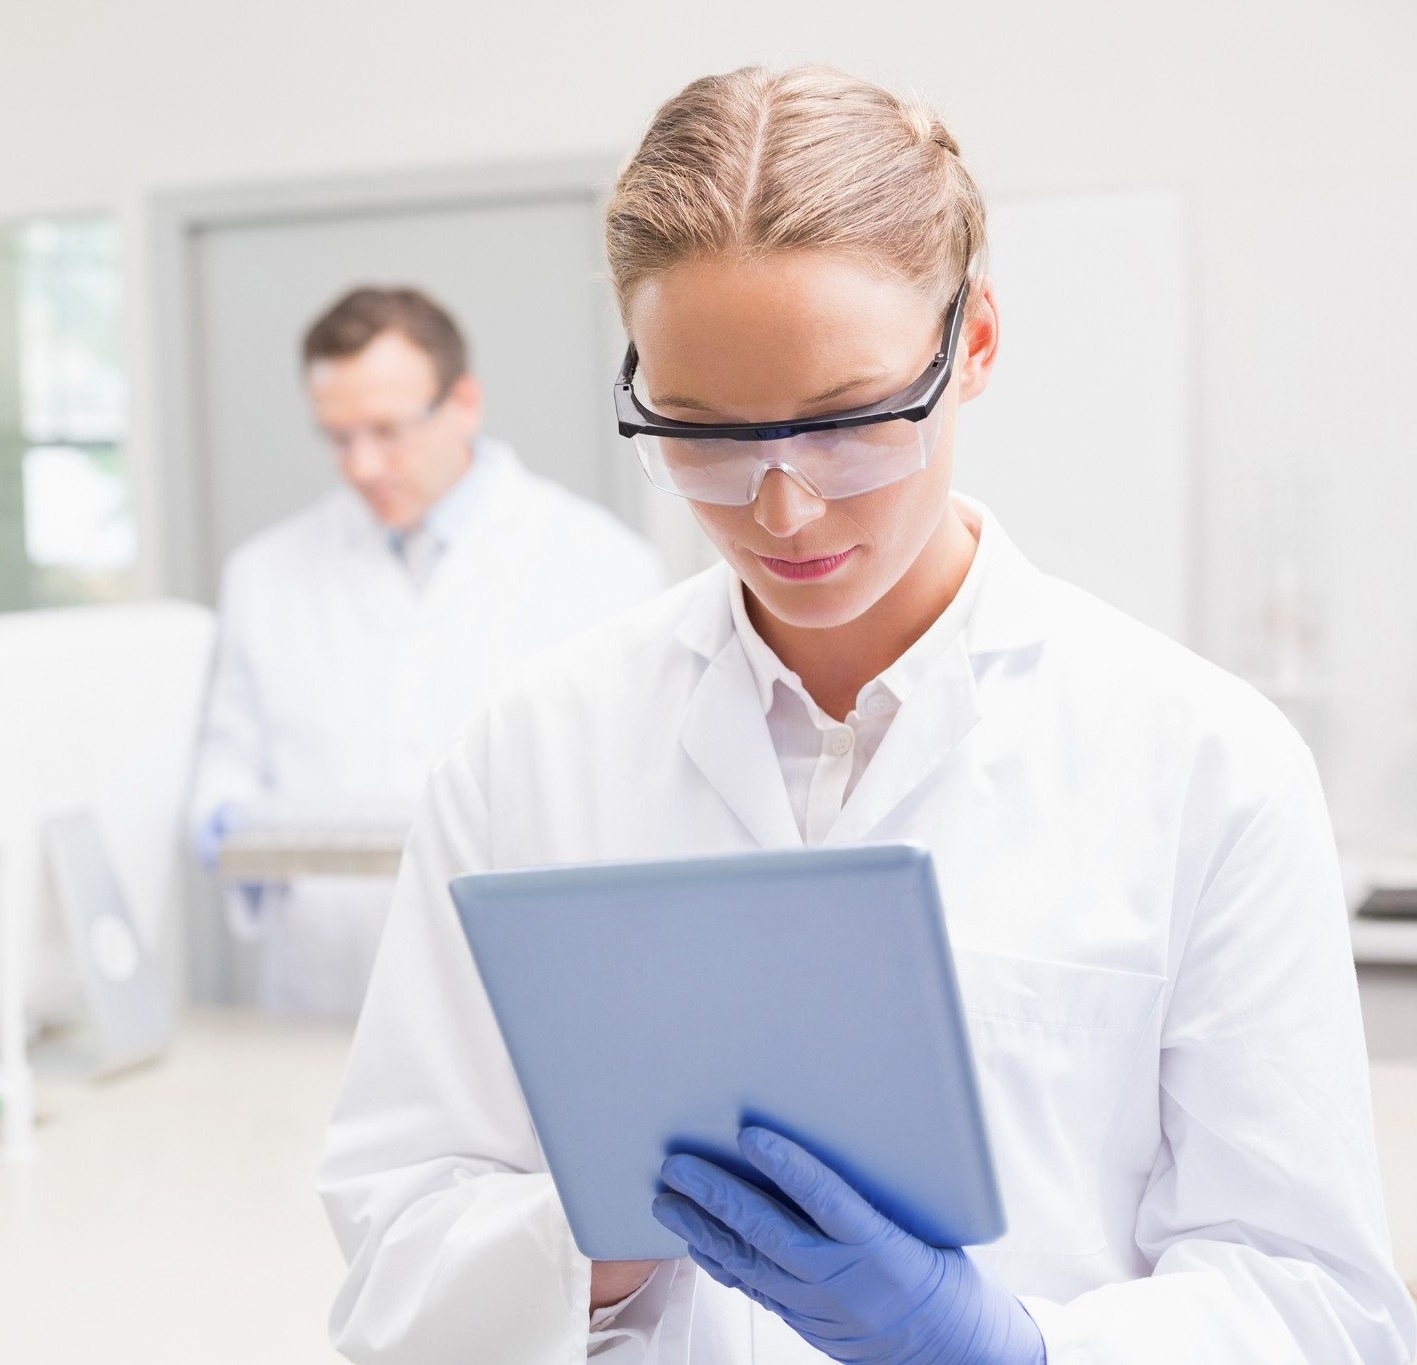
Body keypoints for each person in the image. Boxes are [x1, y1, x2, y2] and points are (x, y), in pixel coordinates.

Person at [317, 66, 1416, 1363]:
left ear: (978, 344)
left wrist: (1009, 1350)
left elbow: (1315, 1302)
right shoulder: (528, 753)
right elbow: (391, 1277)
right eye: (704, 433)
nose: (783, 510)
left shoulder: (1205, 767)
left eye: (848, 423)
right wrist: (595, 1242)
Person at [189, 286, 664, 1016]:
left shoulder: (601, 566)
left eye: (387, 429)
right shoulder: (265, 573)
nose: (362, 465)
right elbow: (228, 763)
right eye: (338, 437)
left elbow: (638, 800)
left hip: (521, 996)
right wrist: (223, 820)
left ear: (464, 402)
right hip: (327, 990)